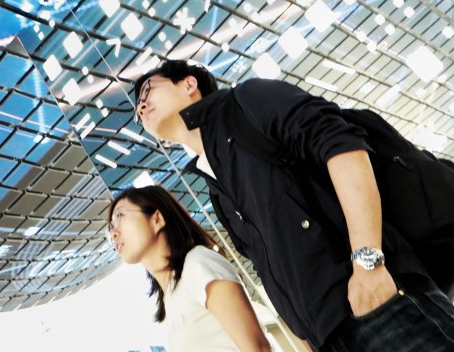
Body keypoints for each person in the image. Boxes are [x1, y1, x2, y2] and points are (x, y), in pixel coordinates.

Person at [133, 59, 454, 351]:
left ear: (189, 83)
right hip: (329, 336)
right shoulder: (214, 185)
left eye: (148, 89)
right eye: (136, 109)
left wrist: (368, 265)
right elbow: (268, 269)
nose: (141, 105)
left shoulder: (246, 101)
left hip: (381, 298)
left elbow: (342, 145)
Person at [108, 185, 273, 351]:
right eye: (111, 226)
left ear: (157, 219)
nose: (113, 233)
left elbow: (258, 348)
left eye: (119, 217)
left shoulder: (198, 263)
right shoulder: (170, 299)